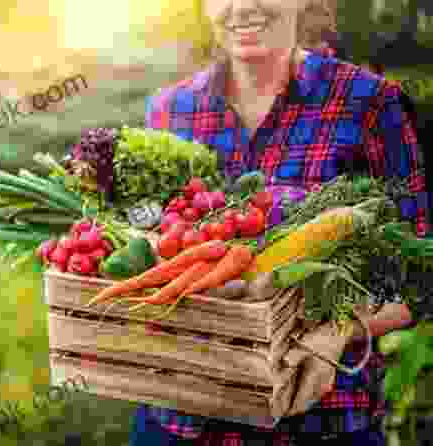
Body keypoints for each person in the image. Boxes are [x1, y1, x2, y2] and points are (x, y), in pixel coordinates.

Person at [133, 0, 430, 444]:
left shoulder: (369, 102)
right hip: (180, 419)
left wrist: (338, 331)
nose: (242, 6)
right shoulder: (169, 110)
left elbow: (420, 276)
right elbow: (140, 243)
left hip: (318, 422)